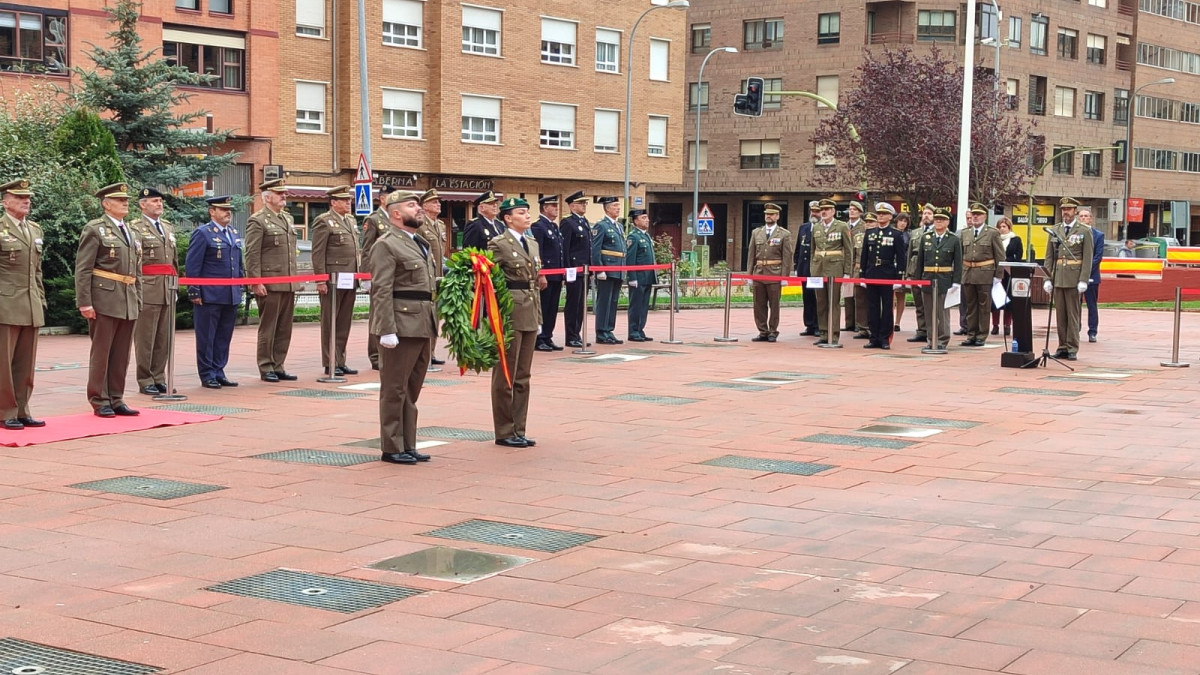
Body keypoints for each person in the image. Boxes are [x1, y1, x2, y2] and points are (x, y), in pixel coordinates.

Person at [369, 190, 437, 465]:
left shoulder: (420, 242)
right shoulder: (387, 244)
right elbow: (381, 289)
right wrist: (386, 329)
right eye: (412, 205)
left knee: (412, 389)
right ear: (396, 213)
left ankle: (408, 442)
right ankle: (391, 445)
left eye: (419, 205)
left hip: (422, 323)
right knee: (394, 388)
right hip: (401, 323)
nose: (419, 209)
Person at [76, 183, 142, 418]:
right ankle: (99, 398)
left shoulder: (131, 231)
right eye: (119, 199)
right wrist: (84, 301)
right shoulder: (95, 229)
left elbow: (136, 269)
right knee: (102, 352)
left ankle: (116, 397)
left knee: (121, 354)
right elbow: (83, 268)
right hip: (104, 297)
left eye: (126, 199)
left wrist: (139, 299)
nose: (125, 202)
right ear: (106, 204)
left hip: (127, 297)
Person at [488, 197, 546, 448]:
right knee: (506, 374)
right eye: (521, 213)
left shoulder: (532, 244)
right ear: (508, 218)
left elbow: (535, 283)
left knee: (523, 374)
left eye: (527, 212)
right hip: (510, 310)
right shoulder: (498, 243)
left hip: (530, 310)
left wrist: (539, 317)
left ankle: (519, 428)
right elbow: (488, 282)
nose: (527, 216)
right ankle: (504, 430)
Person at [0, 179, 46, 430]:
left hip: (30, 303)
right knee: (3, 363)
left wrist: (40, 297)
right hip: (5, 303)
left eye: (27, 197)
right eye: (19, 198)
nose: (26, 201)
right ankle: (5, 410)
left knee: (26, 362)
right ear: (5, 203)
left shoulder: (35, 229)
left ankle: (22, 408)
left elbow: (36, 270)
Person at [245, 178, 300, 383]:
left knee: (284, 327)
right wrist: (256, 281)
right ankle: (266, 365)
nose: (284, 196)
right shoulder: (258, 220)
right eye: (280, 194)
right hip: (270, 283)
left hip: (288, 282)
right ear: (267, 197)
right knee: (269, 327)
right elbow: (252, 253)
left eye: (285, 193)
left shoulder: (287, 219)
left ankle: (278, 364)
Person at [186, 196, 244, 389]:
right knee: (207, 337)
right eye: (223, 209)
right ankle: (207, 374)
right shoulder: (203, 233)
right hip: (209, 295)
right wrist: (195, 292)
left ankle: (219, 371)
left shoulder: (233, 233)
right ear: (212, 212)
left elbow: (238, 263)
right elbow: (193, 265)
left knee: (223, 337)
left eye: (229, 209)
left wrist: (240, 287)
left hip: (230, 294)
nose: (228, 212)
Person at [131, 187, 177, 396]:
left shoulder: (167, 227)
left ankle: (159, 377)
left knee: (163, 338)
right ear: (143, 204)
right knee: (146, 338)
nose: (159, 204)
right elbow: (134, 262)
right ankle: (145, 378)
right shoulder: (136, 228)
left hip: (167, 287)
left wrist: (175, 283)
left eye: (160, 201)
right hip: (148, 288)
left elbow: (173, 260)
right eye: (154, 201)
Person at [311, 186, 360, 376]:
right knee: (330, 322)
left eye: (349, 200)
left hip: (350, 278)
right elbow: (318, 252)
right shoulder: (324, 221)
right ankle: (330, 361)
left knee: (344, 322)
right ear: (333, 203)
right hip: (332, 279)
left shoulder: (350, 220)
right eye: (343, 200)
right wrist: (320, 279)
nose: (348, 202)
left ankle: (340, 359)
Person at [1043, 196, 1094, 361]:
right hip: (1058, 277)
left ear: (1075, 212)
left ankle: (1072, 347)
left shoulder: (1084, 230)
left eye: (1069, 209)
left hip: (1074, 276)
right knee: (1060, 315)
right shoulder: (1055, 229)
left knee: (1072, 315)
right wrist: (1047, 278)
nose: (1066, 213)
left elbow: (1088, 257)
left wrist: (1083, 279)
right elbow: (1049, 256)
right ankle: (1062, 346)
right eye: (1063, 210)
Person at [914, 207, 962, 351]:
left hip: (944, 279)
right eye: (937, 219)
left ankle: (942, 339)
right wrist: (918, 280)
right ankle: (931, 339)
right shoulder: (926, 237)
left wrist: (956, 282)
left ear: (948, 222)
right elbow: (920, 261)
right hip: (928, 278)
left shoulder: (953, 239)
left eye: (942, 219)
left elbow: (958, 262)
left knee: (942, 312)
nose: (939, 222)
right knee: (929, 312)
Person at [746, 203, 794, 343]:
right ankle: (763, 331)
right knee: (758, 304)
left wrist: (785, 277)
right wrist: (749, 274)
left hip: (775, 273)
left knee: (774, 305)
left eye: (772, 214)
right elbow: (751, 255)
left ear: (777, 216)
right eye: (767, 214)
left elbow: (787, 256)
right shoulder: (756, 232)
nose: (768, 216)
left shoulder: (784, 234)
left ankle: (773, 331)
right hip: (759, 273)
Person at [959, 202, 1005, 347]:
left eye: (978, 215)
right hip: (968, 273)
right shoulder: (965, 233)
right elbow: (961, 255)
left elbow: (1000, 255)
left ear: (985, 216)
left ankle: (981, 335)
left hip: (985, 273)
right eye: (973, 215)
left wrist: (998, 275)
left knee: (984, 306)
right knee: (970, 306)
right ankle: (971, 334)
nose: (975, 217)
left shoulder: (992, 232)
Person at [861, 205, 905, 349]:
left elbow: (900, 257)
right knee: (872, 307)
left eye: (883, 214)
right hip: (872, 272)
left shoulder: (896, 234)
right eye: (878, 213)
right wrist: (862, 275)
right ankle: (873, 337)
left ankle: (884, 338)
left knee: (887, 308)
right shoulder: (870, 233)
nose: (880, 216)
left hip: (887, 273)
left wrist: (899, 278)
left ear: (890, 217)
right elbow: (864, 256)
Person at [810, 198, 853, 345]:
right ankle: (823, 333)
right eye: (822, 209)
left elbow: (848, 250)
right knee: (821, 302)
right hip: (818, 268)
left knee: (833, 302)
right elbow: (812, 250)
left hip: (835, 268)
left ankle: (833, 334)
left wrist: (847, 271)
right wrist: (812, 269)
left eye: (827, 209)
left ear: (833, 211)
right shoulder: (816, 227)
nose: (823, 212)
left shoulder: (841, 226)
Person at [362, 185, 393, 370]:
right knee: (377, 315)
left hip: (392, 275)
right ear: (382, 199)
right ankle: (375, 355)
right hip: (377, 275)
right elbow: (366, 250)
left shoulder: (395, 219)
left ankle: (386, 354)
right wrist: (366, 276)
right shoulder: (373, 220)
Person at [590, 196, 626, 345]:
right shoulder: (601, 226)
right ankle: (601, 332)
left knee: (613, 301)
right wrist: (599, 270)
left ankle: (609, 330)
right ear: (607, 208)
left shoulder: (619, 226)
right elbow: (596, 249)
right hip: (607, 268)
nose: (618, 208)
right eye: (614, 206)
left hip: (618, 268)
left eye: (618, 205)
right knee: (604, 301)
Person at [532, 195, 565, 351]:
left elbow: (559, 252)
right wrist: (541, 273)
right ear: (545, 208)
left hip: (556, 274)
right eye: (553, 206)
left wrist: (563, 273)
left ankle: (548, 336)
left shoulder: (554, 227)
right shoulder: (538, 227)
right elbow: (539, 252)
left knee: (552, 308)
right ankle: (539, 338)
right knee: (544, 307)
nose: (556, 209)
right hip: (546, 274)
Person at [418, 189, 447, 366]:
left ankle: (432, 351)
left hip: (438, 276)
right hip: (425, 277)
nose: (438, 204)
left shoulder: (441, 225)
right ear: (425, 206)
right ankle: (424, 353)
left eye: (439, 202)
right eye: (434, 202)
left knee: (436, 316)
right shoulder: (420, 225)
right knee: (426, 315)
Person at [559, 191, 591, 348]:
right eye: (581, 203)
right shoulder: (568, 223)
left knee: (581, 304)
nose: (584, 205)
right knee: (573, 303)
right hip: (574, 269)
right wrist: (566, 270)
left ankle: (577, 334)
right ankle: (571, 335)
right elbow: (565, 249)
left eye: (585, 203)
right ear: (572, 206)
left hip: (584, 269)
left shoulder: (584, 222)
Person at [625, 208, 657, 342]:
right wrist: (632, 277)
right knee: (636, 305)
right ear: (636, 221)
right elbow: (630, 259)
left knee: (644, 306)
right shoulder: (633, 237)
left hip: (647, 276)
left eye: (647, 217)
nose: (647, 220)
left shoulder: (646, 236)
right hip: (638, 277)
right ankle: (633, 331)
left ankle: (640, 329)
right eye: (643, 218)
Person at [905, 204, 935, 343]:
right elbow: (910, 252)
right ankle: (921, 330)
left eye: (929, 213)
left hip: (930, 269)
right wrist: (907, 273)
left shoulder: (938, 231)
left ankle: (932, 330)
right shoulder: (915, 232)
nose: (926, 216)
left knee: (930, 303)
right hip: (915, 267)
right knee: (918, 302)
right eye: (924, 213)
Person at [991, 217, 1022, 337]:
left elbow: (1018, 256)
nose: (1002, 229)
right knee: (996, 300)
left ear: (1009, 227)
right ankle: (995, 325)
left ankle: (1007, 325)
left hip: (1009, 273)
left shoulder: (1015, 239)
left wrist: (1005, 261)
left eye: (1004, 226)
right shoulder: (994, 238)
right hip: (996, 272)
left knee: (1008, 300)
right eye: (999, 227)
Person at [794, 200, 819, 336]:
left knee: (817, 298)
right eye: (812, 211)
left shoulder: (822, 228)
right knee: (807, 297)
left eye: (816, 211)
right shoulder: (804, 227)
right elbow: (798, 248)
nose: (814, 214)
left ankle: (817, 325)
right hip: (804, 269)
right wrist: (796, 265)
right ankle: (809, 325)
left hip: (816, 269)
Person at [1081, 206, 1104, 343]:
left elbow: (1098, 256)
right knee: (1075, 305)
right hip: (1075, 275)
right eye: (1081, 216)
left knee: (1091, 305)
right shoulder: (1074, 234)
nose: (1083, 218)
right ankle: (1075, 328)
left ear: (1091, 219)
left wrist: (1086, 270)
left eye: (1086, 216)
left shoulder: (1098, 235)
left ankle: (1092, 331)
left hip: (1091, 276)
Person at [845, 200, 868, 336]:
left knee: (859, 297)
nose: (851, 211)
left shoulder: (863, 227)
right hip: (848, 264)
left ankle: (860, 324)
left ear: (860, 212)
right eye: (850, 209)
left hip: (858, 265)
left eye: (854, 209)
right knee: (847, 295)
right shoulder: (844, 226)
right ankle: (849, 323)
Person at [892, 212, 912, 332]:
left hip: (903, 266)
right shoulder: (891, 232)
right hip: (889, 265)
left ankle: (897, 322)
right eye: (901, 220)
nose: (903, 223)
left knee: (901, 294)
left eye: (905, 221)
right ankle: (888, 319)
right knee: (889, 295)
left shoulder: (909, 235)